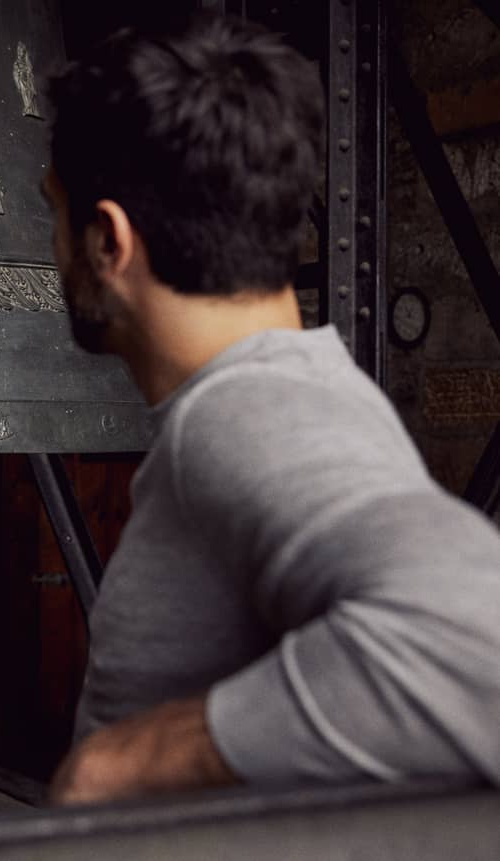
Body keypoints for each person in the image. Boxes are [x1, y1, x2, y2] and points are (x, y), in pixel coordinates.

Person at [40, 14, 500, 804]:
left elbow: (475, 641)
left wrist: (118, 764)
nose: (50, 245)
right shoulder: (296, 386)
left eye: (53, 212)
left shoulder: (254, 407)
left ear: (109, 240)